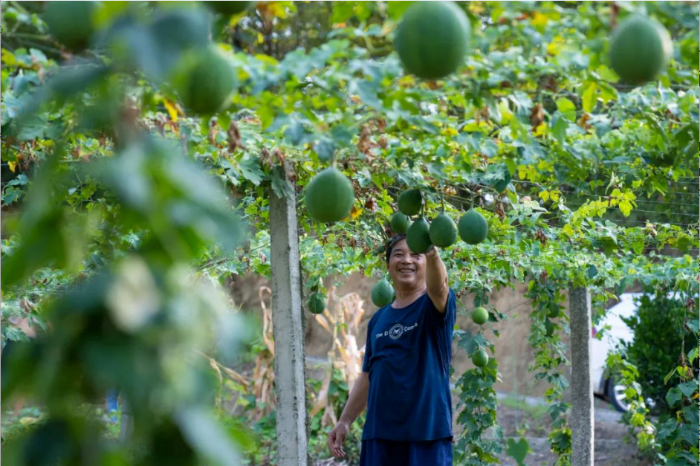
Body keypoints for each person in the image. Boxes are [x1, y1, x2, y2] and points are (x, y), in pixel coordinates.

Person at [327, 234, 456, 465]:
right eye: (398, 254)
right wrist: (345, 421)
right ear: (388, 266)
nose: (407, 260)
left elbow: (439, 288)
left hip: (425, 434)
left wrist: (431, 249)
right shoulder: (378, 319)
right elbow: (367, 375)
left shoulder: (432, 305)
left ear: (426, 262)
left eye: (415, 255)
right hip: (379, 435)